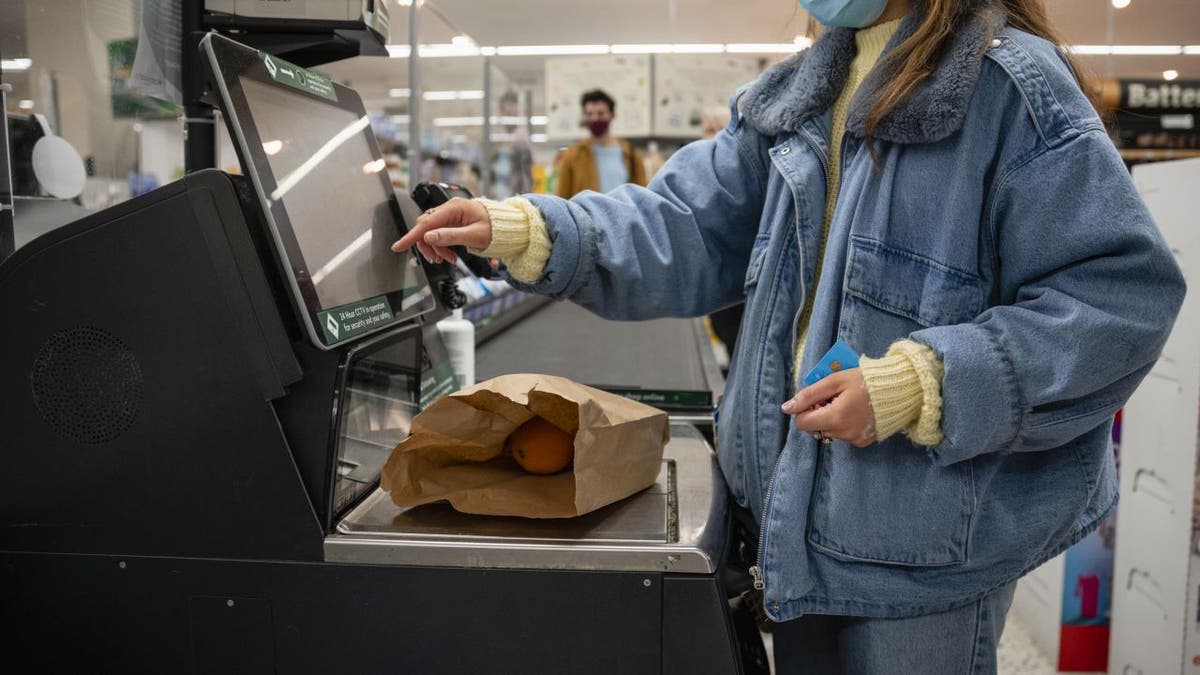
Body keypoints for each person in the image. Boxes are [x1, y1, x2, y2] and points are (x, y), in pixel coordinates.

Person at [394, 0, 1186, 671]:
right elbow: (683, 223)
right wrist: (523, 228)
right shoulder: (798, 96)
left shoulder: (1010, 88)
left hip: (925, 555)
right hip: (792, 524)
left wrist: (923, 383)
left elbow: (1117, 295)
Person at [553, 89, 647, 197]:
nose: (595, 118)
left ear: (612, 114)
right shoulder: (573, 155)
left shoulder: (632, 154)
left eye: (600, 113)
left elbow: (642, 195)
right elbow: (562, 197)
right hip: (585, 209)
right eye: (589, 114)